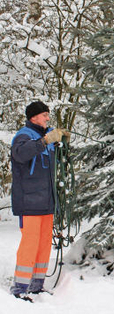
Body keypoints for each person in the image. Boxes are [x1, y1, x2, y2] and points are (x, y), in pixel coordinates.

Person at [10, 101, 69, 302]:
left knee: (44, 244)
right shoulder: (24, 136)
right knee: (30, 244)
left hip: (46, 202)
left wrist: (62, 142)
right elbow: (20, 154)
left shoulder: (47, 137)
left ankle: (37, 284)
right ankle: (20, 287)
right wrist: (45, 141)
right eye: (44, 115)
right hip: (29, 202)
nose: (47, 118)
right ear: (34, 117)